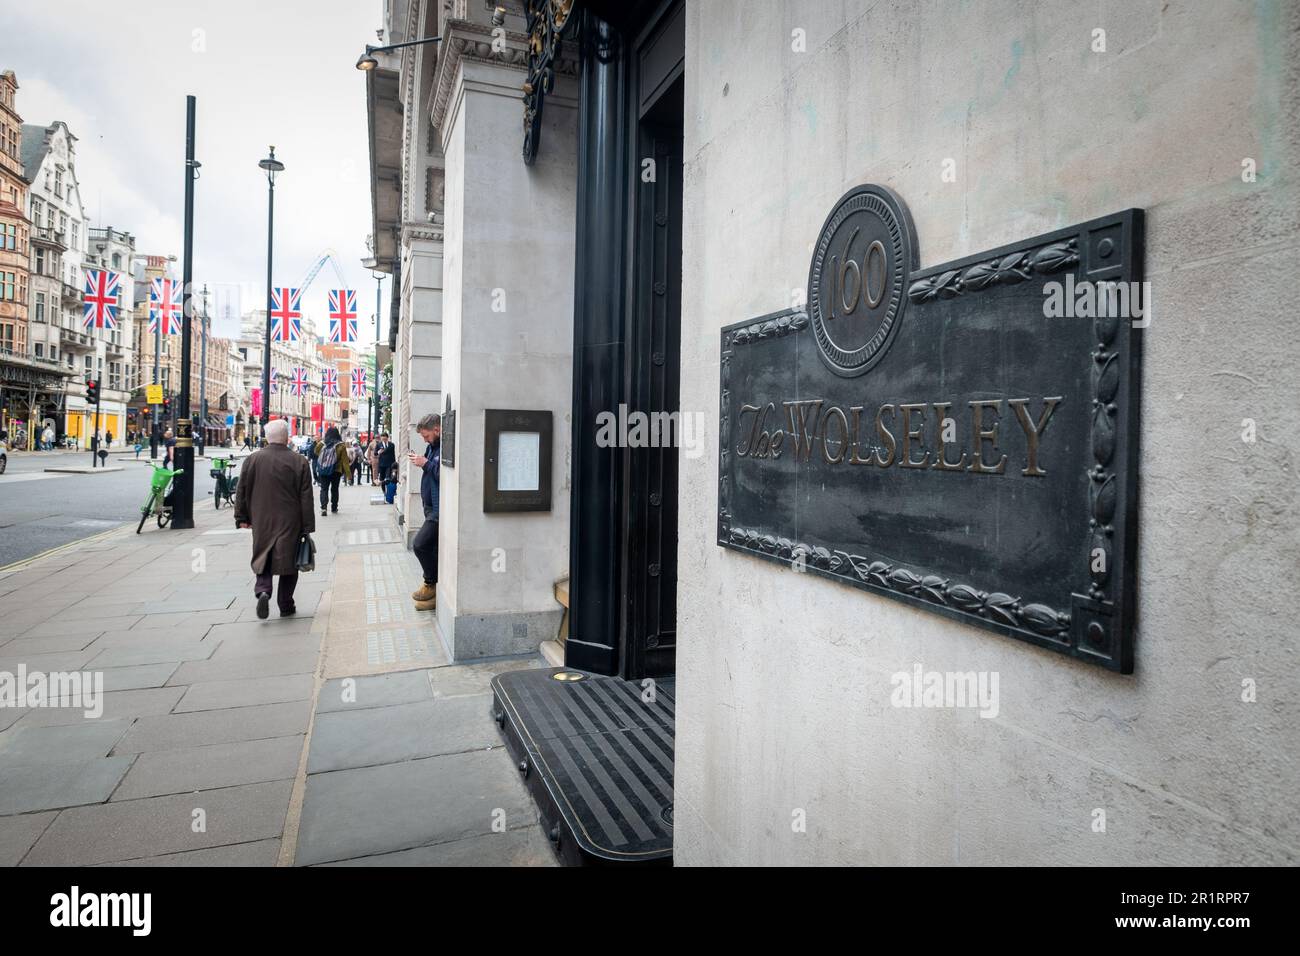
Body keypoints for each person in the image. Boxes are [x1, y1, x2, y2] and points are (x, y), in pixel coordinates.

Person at [234, 419, 315, 619]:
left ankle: (263, 590)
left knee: (263, 555)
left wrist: (241, 517)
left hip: (261, 518)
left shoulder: (252, 460)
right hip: (291, 520)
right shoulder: (300, 461)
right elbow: (306, 497)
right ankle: (286, 604)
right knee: (289, 561)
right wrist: (307, 526)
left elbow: (241, 490)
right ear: (287, 438)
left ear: (267, 438)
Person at [409, 414, 441, 611]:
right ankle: (435, 592)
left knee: (419, 544)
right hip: (430, 507)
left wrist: (425, 463)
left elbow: (446, 474)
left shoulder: (444, 447)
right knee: (432, 549)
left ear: (437, 430)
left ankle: (430, 583)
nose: (425, 440)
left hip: (438, 510)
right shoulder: (432, 447)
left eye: (427, 436)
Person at [312, 426, 348, 516]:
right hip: (336, 471)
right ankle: (334, 507)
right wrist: (348, 475)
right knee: (334, 489)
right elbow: (345, 461)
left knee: (324, 489)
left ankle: (324, 508)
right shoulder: (341, 445)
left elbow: (316, 452)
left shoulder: (322, 443)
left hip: (323, 470)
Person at [377, 433, 396, 502]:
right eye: (382, 439)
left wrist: (394, 463)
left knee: (388, 478)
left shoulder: (391, 445)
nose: (384, 440)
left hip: (389, 464)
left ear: (387, 438)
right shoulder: (379, 445)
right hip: (381, 464)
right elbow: (375, 453)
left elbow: (392, 453)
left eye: (385, 439)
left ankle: (388, 493)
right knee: (382, 478)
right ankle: (384, 492)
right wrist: (378, 452)